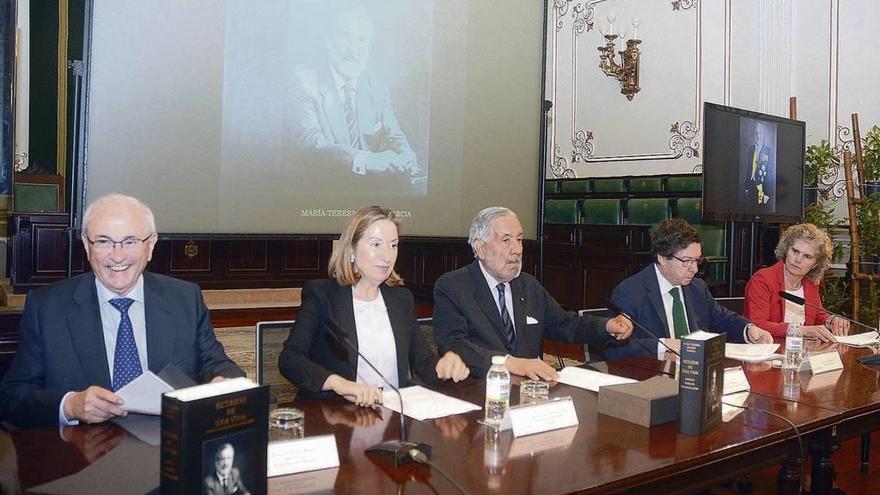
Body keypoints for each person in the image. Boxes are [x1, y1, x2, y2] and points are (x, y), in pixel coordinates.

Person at [0, 194, 244, 428]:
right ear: (86, 245)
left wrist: (224, 384)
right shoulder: (47, 308)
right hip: (82, 457)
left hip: (165, 451)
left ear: (150, 245)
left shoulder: (184, 299)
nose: (117, 256)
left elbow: (220, 366)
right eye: (104, 241)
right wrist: (70, 405)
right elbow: (12, 396)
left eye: (130, 241)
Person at [278, 206, 468, 407]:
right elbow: (290, 359)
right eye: (376, 244)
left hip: (394, 417)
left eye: (393, 245)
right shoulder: (322, 294)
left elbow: (422, 362)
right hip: (338, 415)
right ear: (351, 250)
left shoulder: (401, 299)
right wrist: (339, 384)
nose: (387, 256)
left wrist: (444, 365)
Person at [432, 207, 633, 380]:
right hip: (480, 388)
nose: (517, 249)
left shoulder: (528, 285)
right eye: (506, 240)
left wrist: (606, 326)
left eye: (519, 239)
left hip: (530, 391)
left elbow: (564, 324)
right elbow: (454, 345)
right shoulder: (454, 287)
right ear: (480, 248)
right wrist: (511, 364)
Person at [286, 3, 421, 188]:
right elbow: (311, 144)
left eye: (362, 40)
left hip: (370, 194)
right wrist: (369, 160)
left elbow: (394, 135)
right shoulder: (304, 82)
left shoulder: (377, 85)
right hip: (320, 191)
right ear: (328, 41)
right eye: (345, 37)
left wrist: (408, 158)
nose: (354, 49)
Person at [604, 219, 773, 360]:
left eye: (697, 261)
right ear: (662, 257)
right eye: (686, 261)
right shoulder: (630, 291)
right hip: (652, 381)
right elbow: (615, 348)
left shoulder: (697, 287)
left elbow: (722, 318)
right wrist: (664, 346)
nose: (694, 269)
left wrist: (749, 329)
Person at [743, 223, 849, 341]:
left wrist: (832, 320)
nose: (798, 260)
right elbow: (757, 324)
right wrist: (798, 330)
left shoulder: (811, 283)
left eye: (807, 256)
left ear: (816, 264)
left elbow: (818, 315)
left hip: (801, 351)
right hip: (767, 348)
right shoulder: (763, 279)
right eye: (795, 251)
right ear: (786, 249)